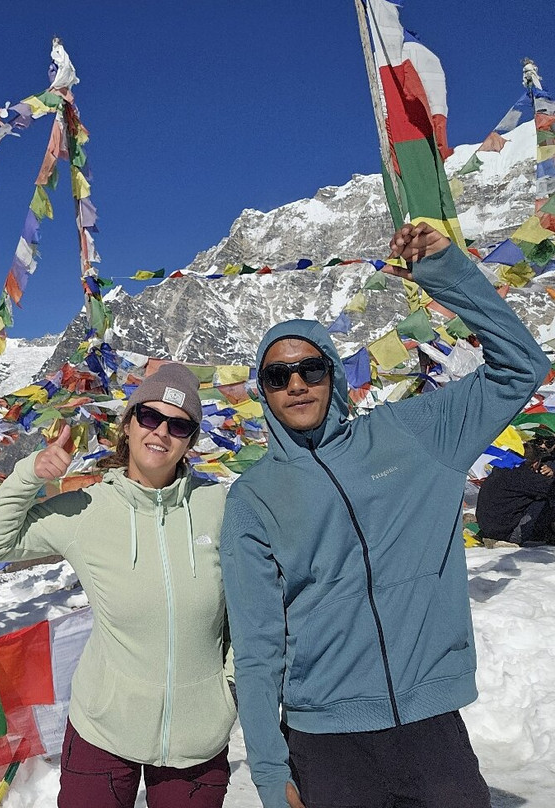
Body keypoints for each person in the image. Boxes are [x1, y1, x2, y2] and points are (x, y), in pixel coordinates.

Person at [220, 222, 549, 808]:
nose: (296, 384)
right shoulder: (253, 496)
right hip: (324, 739)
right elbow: (258, 643)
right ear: (263, 391)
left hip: (430, 725)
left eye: (311, 368)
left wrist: (448, 274)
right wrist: (270, 772)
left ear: (334, 376)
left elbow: (520, 367)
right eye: (277, 376)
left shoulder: (413, 434)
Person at [0, 363, 235, 808]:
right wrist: (30, 474)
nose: (161, 432)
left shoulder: (219, 506)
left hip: (199, 739)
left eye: (179, 425)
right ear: (128, 425)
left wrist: (228, 687)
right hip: (103, 731)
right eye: (150, 417)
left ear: (190, 440)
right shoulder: (88, 510)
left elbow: (251, 607)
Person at [476, 438, 555, 545]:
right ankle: (543, 536)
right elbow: (550, 488)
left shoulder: (502, 469)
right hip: (508, 533)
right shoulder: (524, 477)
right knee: (546, 502)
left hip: (488, 527)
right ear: (536, 463)